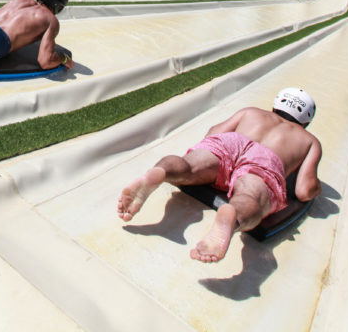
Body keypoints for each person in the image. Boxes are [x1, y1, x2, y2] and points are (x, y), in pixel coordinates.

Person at [116, 88, 322, 264]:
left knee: (188, 166)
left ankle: (161, 172)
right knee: (249, 196)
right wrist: (317, 188)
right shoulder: (309, 140)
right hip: (266, 160)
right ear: (306, 122)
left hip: (232, 142)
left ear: (275, 106)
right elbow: (304, 191)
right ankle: (233, 216)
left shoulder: (251, 112)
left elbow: (212, 133)